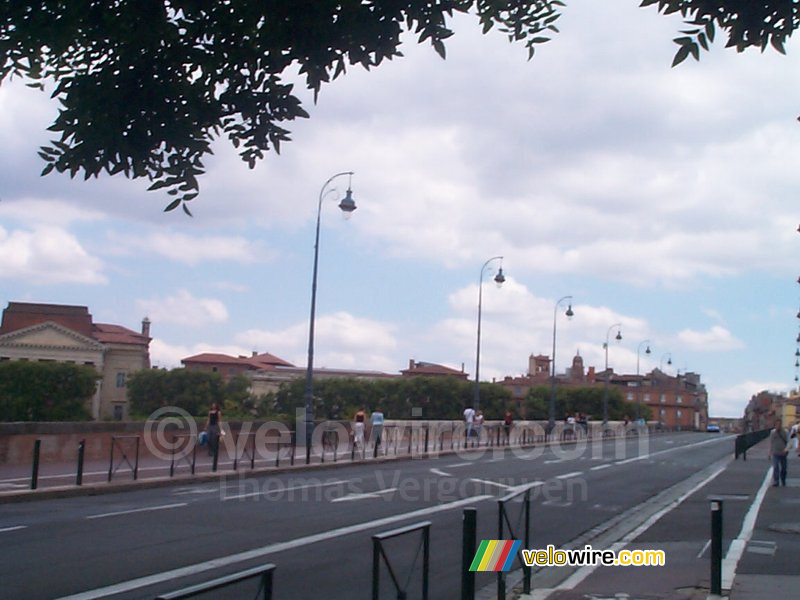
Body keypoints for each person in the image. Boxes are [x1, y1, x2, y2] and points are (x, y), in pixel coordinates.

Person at [768, 418, 789, 487]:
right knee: (776, 466)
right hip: (775, 452)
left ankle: (783, 479)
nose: (778, 425)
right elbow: (771, 442)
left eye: (779, 424)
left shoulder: (785, 432)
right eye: (776, 424)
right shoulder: (773, 432)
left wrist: (786, 449)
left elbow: (788, 441)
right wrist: (769, 452)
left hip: (783, 452)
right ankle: (776, 481)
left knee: (784, 468)